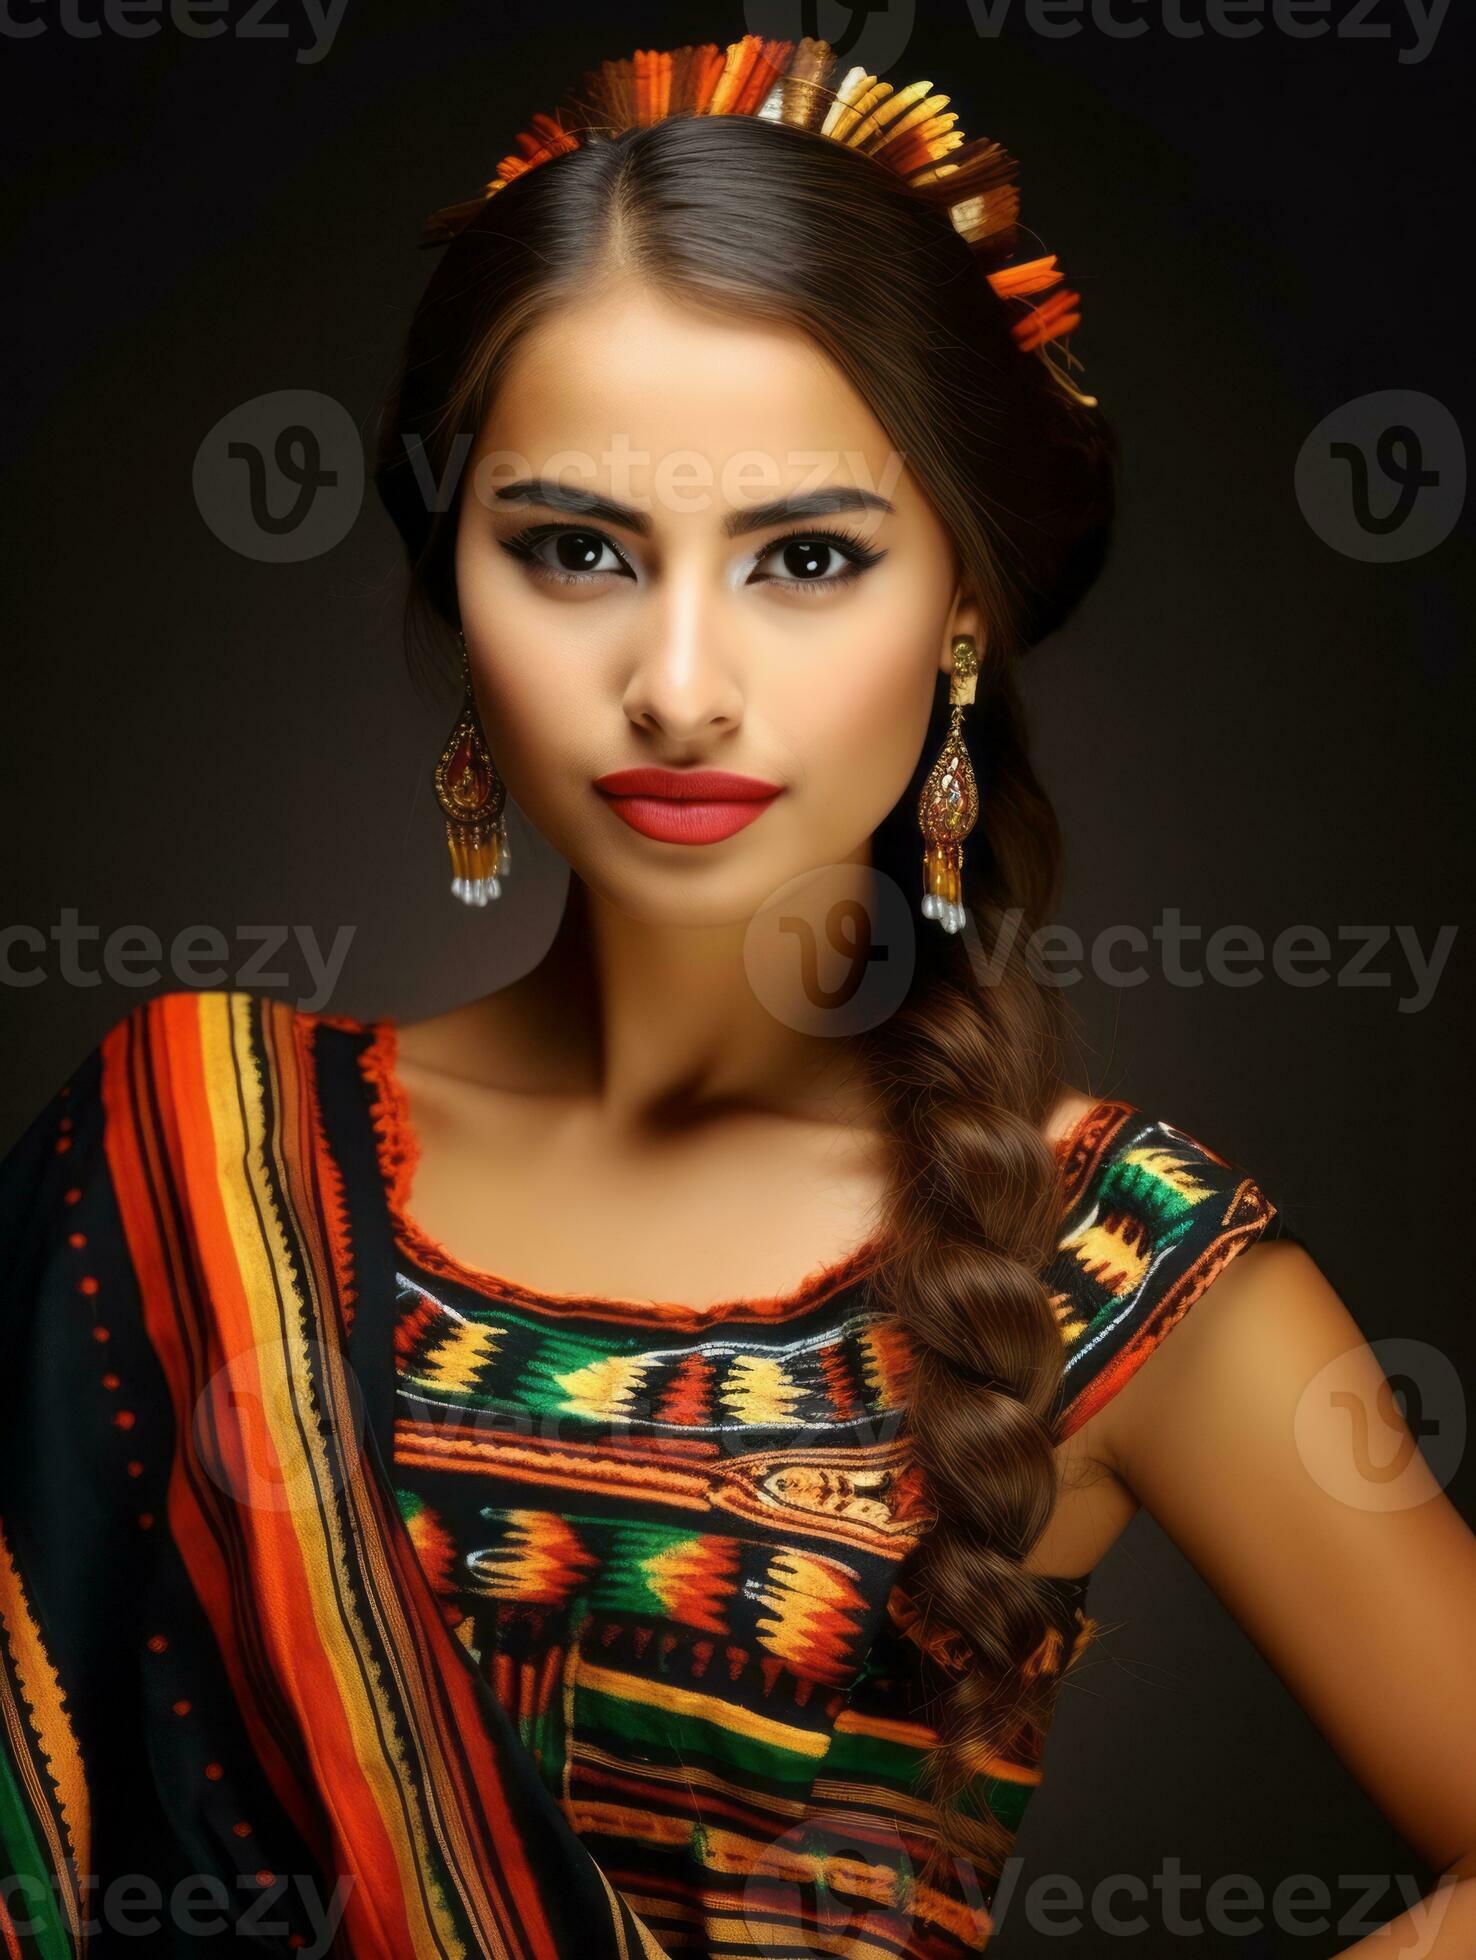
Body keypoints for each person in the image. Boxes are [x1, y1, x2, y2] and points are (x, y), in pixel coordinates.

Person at [2, 32, 1473, 1960]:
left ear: (961, 606)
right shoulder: (187, 1158)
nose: (680, 679)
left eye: (804, 556)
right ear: (458, 586)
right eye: (576, 550)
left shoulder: (1104, 1264)